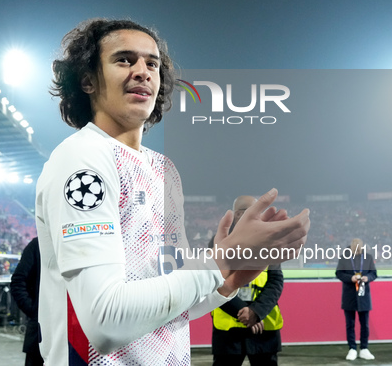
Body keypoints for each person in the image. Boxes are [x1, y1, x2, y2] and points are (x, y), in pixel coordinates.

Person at [37, 18, 310, 365]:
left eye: (152, 63)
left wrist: (229, 282)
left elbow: (170, 308)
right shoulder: (82, 159)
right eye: (124, 59)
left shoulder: (164, 171)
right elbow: (105, 323)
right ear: (88, 81)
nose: (142, 71)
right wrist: (220, 260)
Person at [210, 196, 284, 366]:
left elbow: (276, 281)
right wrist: (243, 311)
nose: (260, 216)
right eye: (255, 211)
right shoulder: (218, 241)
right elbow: (213, 283)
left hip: (263, 328)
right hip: (229, 333)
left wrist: (256, 312)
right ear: (238, 215)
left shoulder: (271, 242)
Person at [335, 238, 377, 361]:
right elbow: (339, 273)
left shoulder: (368, 257)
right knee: (350, 324)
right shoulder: (344, 257)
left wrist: (367, 278)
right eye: (355, 246)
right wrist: (351, 278)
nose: (357, 248)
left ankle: (364, 348)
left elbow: (374, 273)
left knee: (365, 324)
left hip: (364, 295)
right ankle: (352, 348)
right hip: (349, 296)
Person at [11, 237, 43, 366]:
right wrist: (35, 311)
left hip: (74, 335)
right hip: (39, 335)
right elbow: (18, 282)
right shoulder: (38, 245)